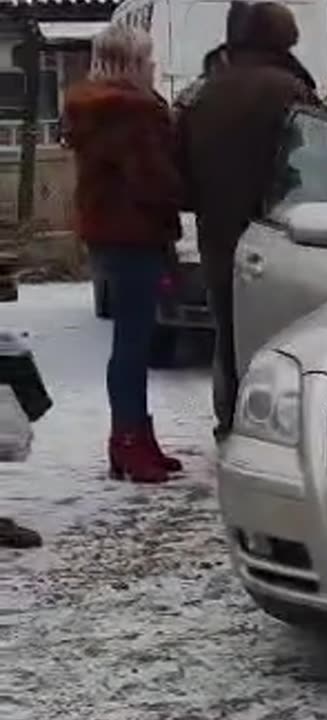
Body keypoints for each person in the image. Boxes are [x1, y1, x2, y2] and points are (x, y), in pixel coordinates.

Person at [179, 2, 318, 439]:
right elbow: (315, 163)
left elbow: (178, 168)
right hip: (285, 233)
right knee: (289, 336)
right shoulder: (291, 90)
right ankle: (278, 428)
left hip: (219, 233)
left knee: (228, 332)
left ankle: (229, 421)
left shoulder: (204, 92)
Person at [64, 25, 185, 483]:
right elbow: (153, 179)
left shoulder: (92, 108)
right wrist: (184, 188)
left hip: (108, 233)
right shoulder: (132, 112)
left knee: (129, 340)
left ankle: (133, 437)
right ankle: (130, 442)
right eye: (147, 59)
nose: (153, 66)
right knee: (134, 342)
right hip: (135, 233)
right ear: (131, 64)